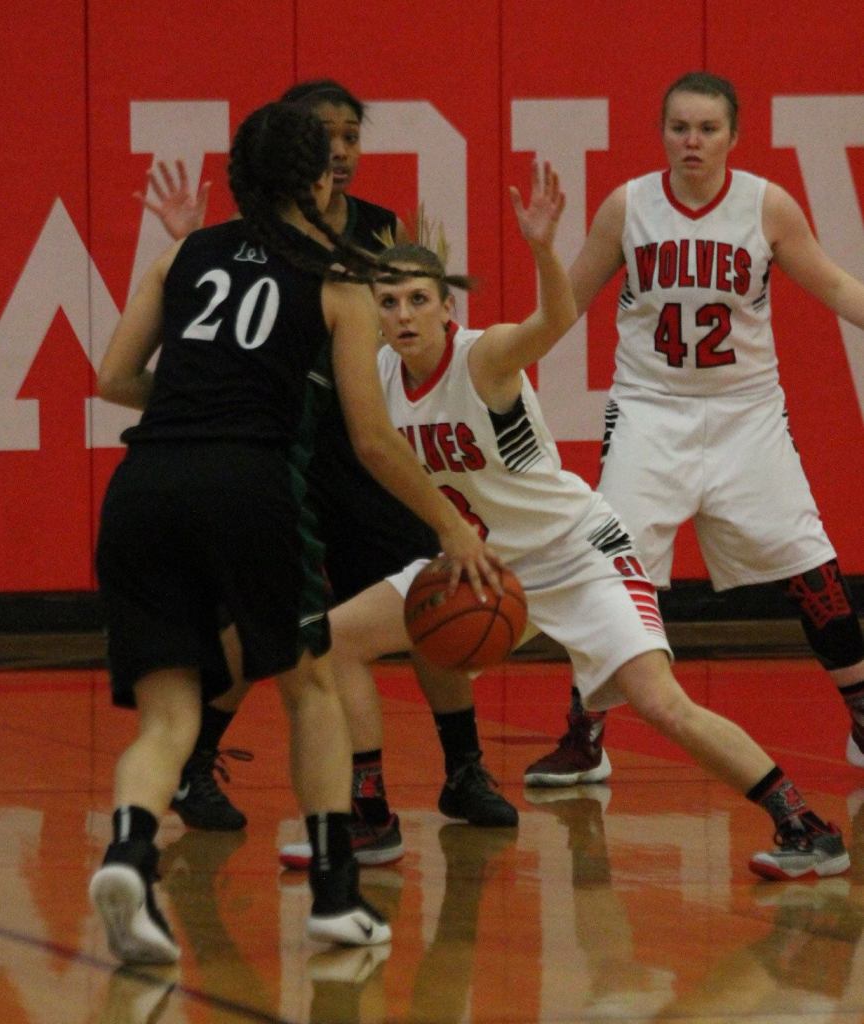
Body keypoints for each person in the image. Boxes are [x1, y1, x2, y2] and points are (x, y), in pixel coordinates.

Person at [325, 158, 850, 881]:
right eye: (387, 303)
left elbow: (557, 318)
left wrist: (542, 249)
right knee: (337, 641)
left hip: (579, 553)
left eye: (419, 299)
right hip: (484, 561)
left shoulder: (486, 358)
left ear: (449, 308)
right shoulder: (375, 378)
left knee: (661, 704)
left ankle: (803, 822)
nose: (403, 315)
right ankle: (372, 816)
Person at [88, 100, 498, 964]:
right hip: (249, 484)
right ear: (317, 178)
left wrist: (203, 396)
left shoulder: (182, 252)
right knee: (309, 686)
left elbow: (114, 376)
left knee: (166, 719)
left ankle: (128, 852)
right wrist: (447, 524)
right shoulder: (337, 282)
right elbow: (373, 439)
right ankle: (336, 895)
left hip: (143, 486)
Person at [524, 70, 864, 791]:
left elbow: (833, 284)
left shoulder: (767, 206)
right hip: (649, 411)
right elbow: (566, 306)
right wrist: (496, 347)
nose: (693, 141)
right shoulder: (629, 207)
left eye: (708, 128)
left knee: (811, 567)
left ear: (734, 137)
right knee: (609, 572)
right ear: (662, 133)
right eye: (680, 126)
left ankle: (863, 718)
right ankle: (586, 735)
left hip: (746, 415)